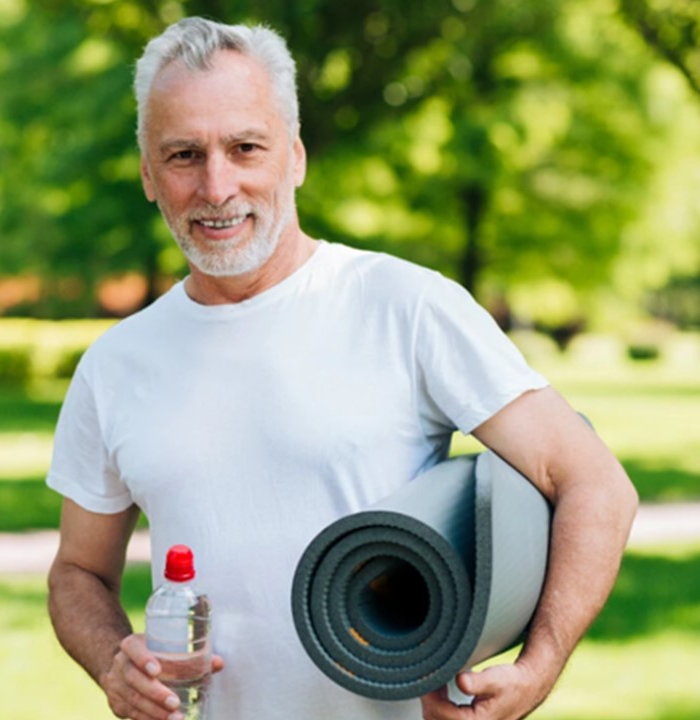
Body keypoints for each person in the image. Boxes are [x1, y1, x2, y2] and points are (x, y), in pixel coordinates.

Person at [46, 16, 637, 720]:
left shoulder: (404, 306)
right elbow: (78, 571)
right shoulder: (116, 365)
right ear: (148, 173)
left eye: (245, 148)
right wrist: (117, 660)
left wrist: (537, 669)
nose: (216, 185)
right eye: (183, 155)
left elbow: (594, 482)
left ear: (293, 157)